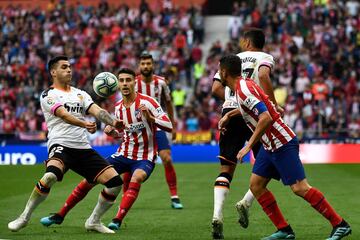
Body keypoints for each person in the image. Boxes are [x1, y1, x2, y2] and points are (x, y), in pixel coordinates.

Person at [218, 54, 351, 240]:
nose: (217, 74)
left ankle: (340, 224)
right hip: (269, 145)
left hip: (281, 142)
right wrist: (229, 116)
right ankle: (284, 230)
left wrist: (248, 145)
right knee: (256, 185)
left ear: (224, 72)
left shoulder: (243, 90)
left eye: (219, 70)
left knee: (300, 188)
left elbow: (265, 117)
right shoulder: (244, 85)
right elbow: (252, 106)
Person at [40, 68, 173, 231]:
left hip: (145, 156)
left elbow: (169, 126)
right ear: (117, 84)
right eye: (122, 80)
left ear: (134, 83)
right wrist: (114, 133)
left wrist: (151, 119)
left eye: (128, 80)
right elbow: (127, 133)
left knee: (136, 178)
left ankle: (117, 219)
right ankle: (60, 215)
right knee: (90, 179)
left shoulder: (148, 102)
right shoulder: (118, 107)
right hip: (123, 153)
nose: (125, 84)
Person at [8, 56, 124, 234]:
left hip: (83, 148)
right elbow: (63, 115)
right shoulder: (48, 95)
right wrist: (83, 123)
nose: (69, 70)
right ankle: (24, 217)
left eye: (69, 67)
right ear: (53, 72)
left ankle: (93, 221)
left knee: (115, 183)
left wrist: (114, 122)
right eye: (64, 67)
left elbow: (97, 111)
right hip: (61, 145)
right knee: (49, 177)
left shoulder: (81, 94)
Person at [211, 28, 281, 239]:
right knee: (267, 165)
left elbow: (215, 88)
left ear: (247, 42)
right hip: (254, 112)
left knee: (226, 169)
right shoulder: (265, 57)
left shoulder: (233, 60)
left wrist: (230, 104)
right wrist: (273, 105)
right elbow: (262, 74)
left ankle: (217, 215)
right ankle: (245, 202)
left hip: (231, 111)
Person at [130, 51, 183, 209]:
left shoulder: (161, 83)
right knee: (130, 161)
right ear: (139, 66)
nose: (146, 66)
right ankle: (127, 193)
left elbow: (169, 103)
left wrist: (172, 125)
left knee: (166, 158)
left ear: (153, 65)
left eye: (148, 63)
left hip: (157, 125)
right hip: (138, 127)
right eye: (143, 63)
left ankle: (174, 196)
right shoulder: (133, 82)